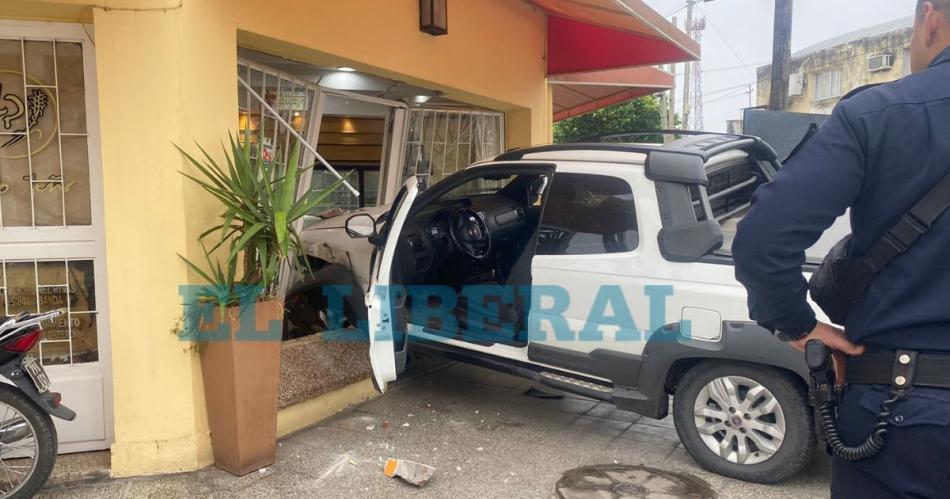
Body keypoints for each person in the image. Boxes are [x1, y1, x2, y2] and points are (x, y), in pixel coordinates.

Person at [732, 1, 950, 497]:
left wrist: (798, 324)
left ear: (931, 18)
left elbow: (764, 240)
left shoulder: (877, 114)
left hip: (904, 413)